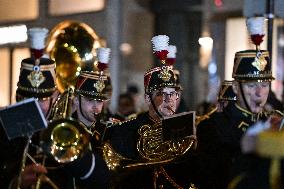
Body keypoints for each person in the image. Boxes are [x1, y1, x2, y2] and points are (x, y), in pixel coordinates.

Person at [101, 35, 197, 188]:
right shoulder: (125, 131)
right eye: (160, 94)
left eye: (172, 93)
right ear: (147, 99)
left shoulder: (184, 128)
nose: (168, 100)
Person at [195, 48, 282, 189]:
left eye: (265, 85)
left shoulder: (274, 120)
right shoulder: (213, 126)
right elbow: (213, 179)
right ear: (235, 88)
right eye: (252, 85)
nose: (259, 93)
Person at [0, 27, 59, 188]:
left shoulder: (60, 131)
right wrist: (14, 183)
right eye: (30, 100)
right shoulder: (3, 128)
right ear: (19, 99)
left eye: (43, 99)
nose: (37, 107)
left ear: (54, 100)